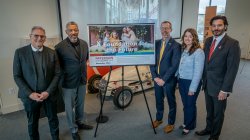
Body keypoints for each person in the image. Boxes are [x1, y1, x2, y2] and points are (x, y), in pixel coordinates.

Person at [195, 15, 241, 140]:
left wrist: (225, 90)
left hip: (220, 87)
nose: (216, 28)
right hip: (208, 84)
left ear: (225, 26)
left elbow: (232, 69)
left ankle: (215, 136)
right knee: (209, 111)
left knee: (218, 113)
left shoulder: (232, 44)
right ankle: (208, 128)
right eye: (214, 26)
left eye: (219, 25)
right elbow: (206, 63)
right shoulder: (209, 40)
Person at [13, 26, 60, 140]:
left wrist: (48, 92)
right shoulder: (20, 53)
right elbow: (17, 76)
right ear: (30, 37)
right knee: (32, 122)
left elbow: (58, 74)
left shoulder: (52, 53)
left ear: (45, 38)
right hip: (30, 96)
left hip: (49, 94)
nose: (39, 38)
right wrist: (30, 94)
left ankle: (55, 138)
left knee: (53, 119)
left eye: (42, 36)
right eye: (36, 36)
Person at [55, 21, 93, 140]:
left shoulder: (84, 44)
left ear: (78, 30)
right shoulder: (59, 47)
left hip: (82, 79)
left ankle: (80, 122)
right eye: (70, 30)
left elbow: (85, 60)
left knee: (80, 104)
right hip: (68, 82)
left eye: (75, 29)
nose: (73, 32)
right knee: (69, 107)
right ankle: (73, 129)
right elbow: (57, 67)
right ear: (66, 32)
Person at [149, 21, 181, 133]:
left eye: (167, 28)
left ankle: (171, 123)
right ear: (160, 29)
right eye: (163, 28)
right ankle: (159, 119)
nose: (164, 31)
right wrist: (155, 77)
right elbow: (151, 61)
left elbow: (174, 65)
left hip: (169, 80)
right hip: (157, 79)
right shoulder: (156, 44)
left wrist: (164, 79)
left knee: (171, 102)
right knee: (158, 100)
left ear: (171, 29)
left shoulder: (176, 46)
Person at [176, 28, 205, 135]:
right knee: (186, 104)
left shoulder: (198, 52)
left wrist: (192, 88)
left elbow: (198, 72)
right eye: (186, 36)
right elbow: (180, 65)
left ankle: (188, 126)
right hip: (182, 81)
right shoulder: (184, 49)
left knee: (190, 104)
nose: (187, 38)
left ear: (194, 38)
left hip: (192, 82)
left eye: (190, 36)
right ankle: (188, 122)